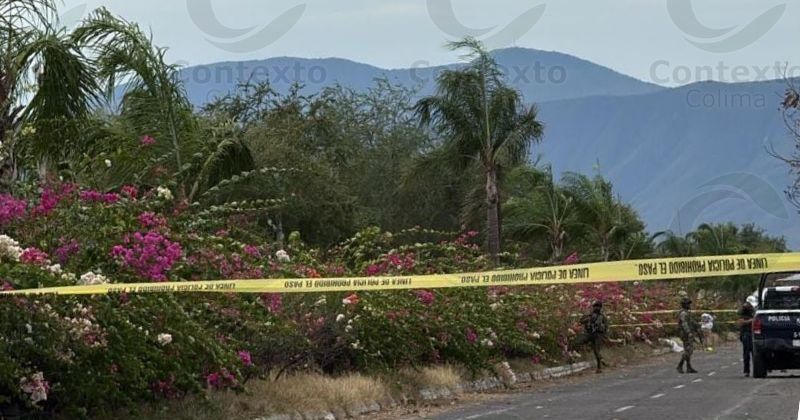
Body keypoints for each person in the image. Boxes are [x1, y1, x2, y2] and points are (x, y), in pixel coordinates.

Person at [574, 300, 609, 373]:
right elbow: (581, 321)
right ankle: (575, 354)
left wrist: (604, 335)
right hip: (589, 333)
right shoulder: (589, 314)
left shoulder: (602, 317)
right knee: (578, 341)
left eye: (598, 307)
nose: (596, 308)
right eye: (595, 306)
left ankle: (599, 367)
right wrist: (589, 319)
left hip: (598, 335)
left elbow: (606, 327)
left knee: (596, 351)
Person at [677, 296, 700, 374]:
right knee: (688, 350)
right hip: (685, 334)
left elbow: (691, 321)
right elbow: (684, 324)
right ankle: (680, 365)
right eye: (688, 304)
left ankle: (688, 367)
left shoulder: (687, 313)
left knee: (689, 350)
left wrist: (697, 325)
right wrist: (689, 332)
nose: (689, 306)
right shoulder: (683, 313)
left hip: (687, 333)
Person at [737, 300, 755, 377]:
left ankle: (756, 370)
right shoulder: (743, 316)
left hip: (753, 334)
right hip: (746, 334)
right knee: (746, 353)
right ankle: (746, 371)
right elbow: (741, 322)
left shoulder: (753, 315)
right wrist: (751, 321)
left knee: (755, 354)